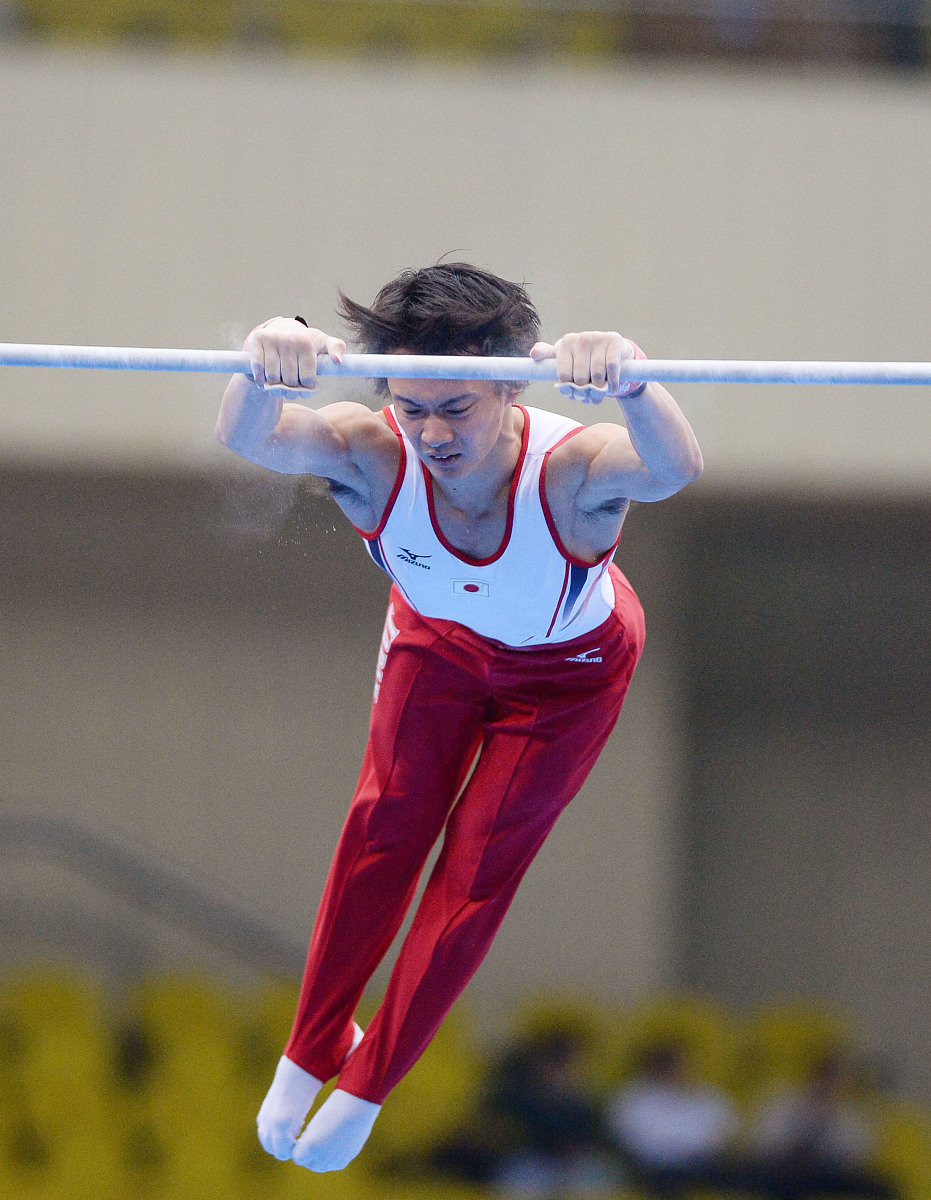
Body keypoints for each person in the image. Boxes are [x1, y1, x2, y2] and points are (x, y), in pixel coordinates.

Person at [215, 263, 703, 1173]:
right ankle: (307, 1051)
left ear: (512, 384)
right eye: (412, 408)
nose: (432, 434)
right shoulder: (372, 451)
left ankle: (366, 1087)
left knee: (475, 868)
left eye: (455, 409)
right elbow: (252, 438)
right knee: (383, 829)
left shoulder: (573, 471)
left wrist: (633, 382)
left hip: (565, 679)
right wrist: (262, 362)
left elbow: (674, 468)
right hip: (435, 644)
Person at [748, 1051, 898, 1200]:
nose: (828, 1084)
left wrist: (829, 1122)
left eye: (834, 1080)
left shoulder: (845, 1114)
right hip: (782, 1171)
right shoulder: (785, 1104)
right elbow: (762, 1142)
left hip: (824, 1174)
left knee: (881, 1187)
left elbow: (855, 1154)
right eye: (824, 1078)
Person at [605, 1039, 743, 1196]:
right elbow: (637, 1144)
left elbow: (727, 1133)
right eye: (672, 1066)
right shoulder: (632, 1100)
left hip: (704, 1166)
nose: (679, 1071)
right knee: (667, 1180)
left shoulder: (708, 1098)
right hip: (655, 1170)